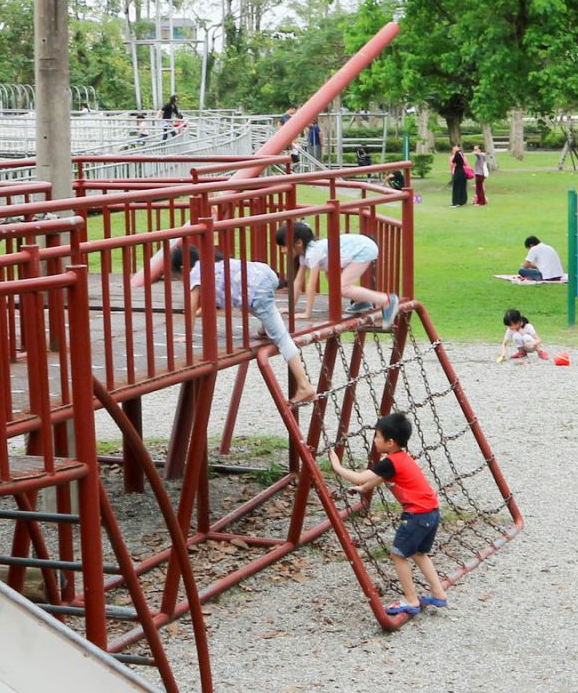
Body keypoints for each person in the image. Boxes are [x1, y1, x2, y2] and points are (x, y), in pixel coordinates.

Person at [158, 243, 315, 405]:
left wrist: (187, 336)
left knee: (281, 337)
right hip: (264, 273)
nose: (182, 280)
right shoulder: (212, 265)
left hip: (258, 289)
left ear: (184, 268)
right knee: (254, 303)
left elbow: (190, 307)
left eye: (179, 277)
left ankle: (304, 386)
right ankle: (265, 329)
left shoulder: (196, 273)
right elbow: (215, 301)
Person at [328, 412, 447, 617]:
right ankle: (438, 593)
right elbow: (375, 480)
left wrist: (337, 467)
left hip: (416, 516)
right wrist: (363, 489)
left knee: (398, 555)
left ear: (390, 442)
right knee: (419, 553)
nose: (374, 440)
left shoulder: (390, 463)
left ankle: (410, 600)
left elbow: (357, 476)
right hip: (431, 513)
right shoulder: (400, 459)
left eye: (377, 436)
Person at [279, 220, 397, 329]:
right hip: (359, 247)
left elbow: (311, 284)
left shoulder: (313, 253)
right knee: (336, 285)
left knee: (342, 288)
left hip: (363, 249)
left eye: (284, 246)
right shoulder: (305, 254)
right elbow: (298, 282)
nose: (282, 250)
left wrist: (307, 313)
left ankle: (386, 300)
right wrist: (291, 309)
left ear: (299, 243)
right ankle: (361, 302)